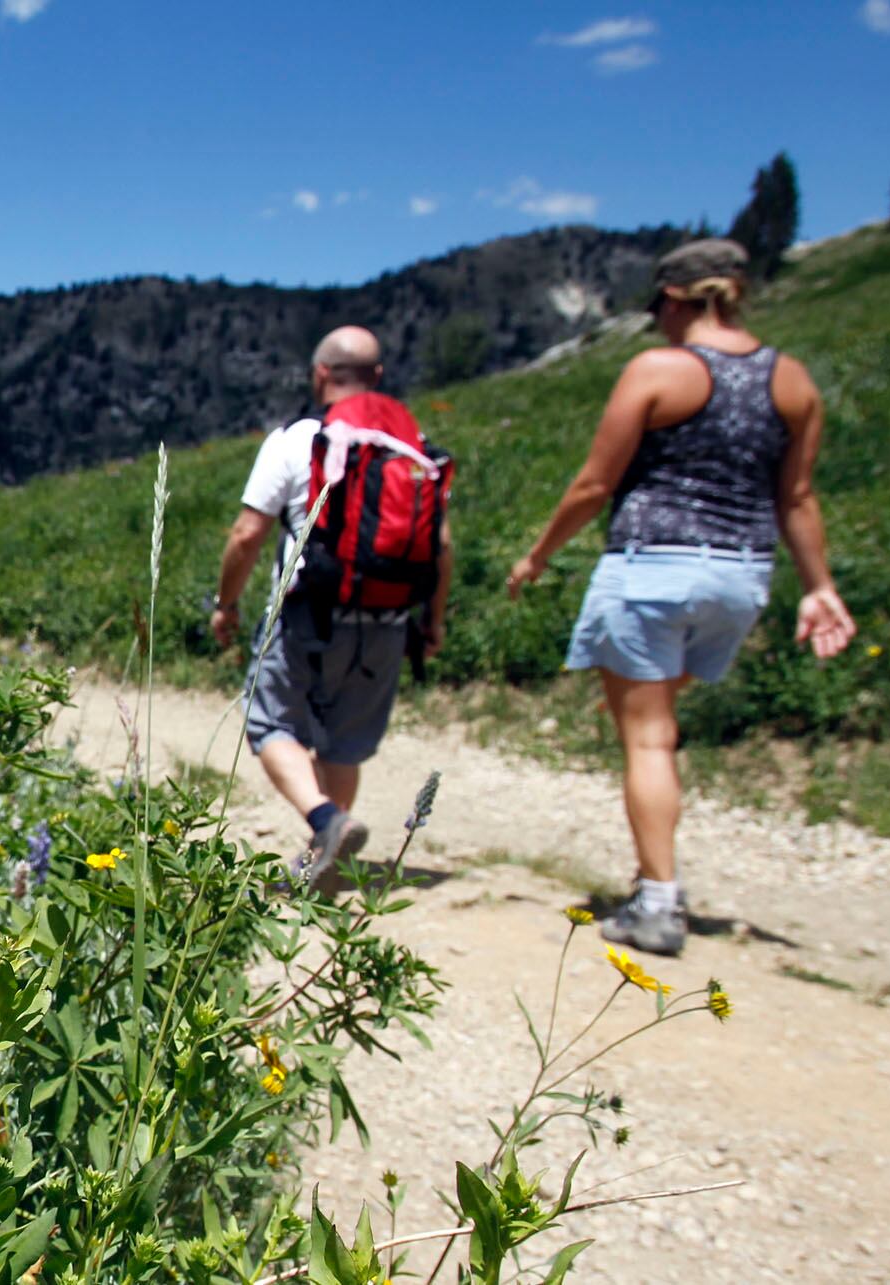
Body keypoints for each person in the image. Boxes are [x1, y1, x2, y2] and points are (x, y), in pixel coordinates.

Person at [506, 238, 855, 956]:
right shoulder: (791, 381)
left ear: (672, 299)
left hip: (651, 569)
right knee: (660, 724)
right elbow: (797, 496)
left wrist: (537, 555)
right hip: (741, 576)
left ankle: (658, 901)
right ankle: (652, 871)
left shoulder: (660, 369)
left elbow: (595, 483)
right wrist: (818, 586)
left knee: (647, 736)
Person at [212, 326, 454, 884]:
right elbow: (440, 548)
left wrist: (226, 604)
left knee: (267, 719)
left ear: (320, 374)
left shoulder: (297, 439)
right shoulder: (413, 446)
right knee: (343, 739)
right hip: (389, 618)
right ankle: (327, 856)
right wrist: (433, 621)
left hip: (307, 612)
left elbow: (248, 533)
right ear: (378, 378)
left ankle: (325, 820)